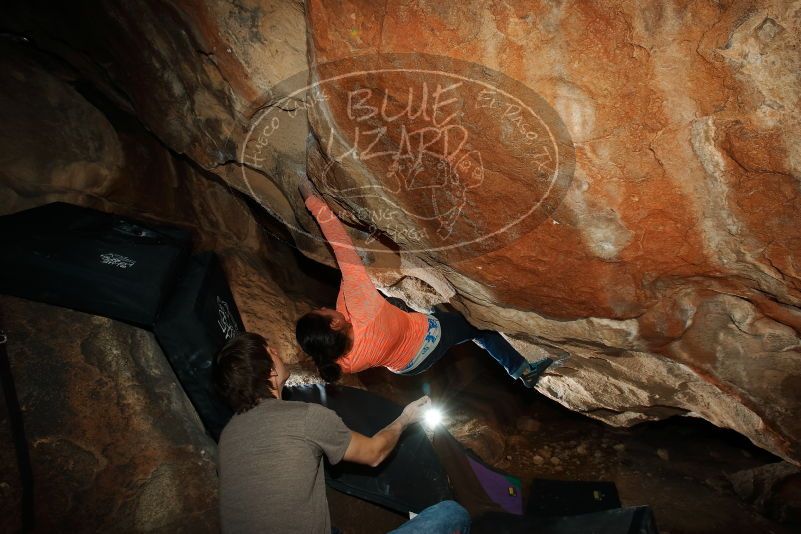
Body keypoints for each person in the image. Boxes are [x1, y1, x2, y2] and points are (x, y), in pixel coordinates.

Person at [295, 177, 554, 387]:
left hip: (404, 367)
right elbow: (342, 248)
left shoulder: (337, 361)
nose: (323, 306)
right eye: (320, 311)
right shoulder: (362, 306)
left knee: (398, 304)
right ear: (335, 322)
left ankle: (425, 315)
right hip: (427, 340)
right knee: (477, 326)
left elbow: (330, 362)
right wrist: (313, 202)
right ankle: (522, 370)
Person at [214, 332, 471, 534]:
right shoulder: (303, 416)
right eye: (273, 352)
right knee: (451, 514)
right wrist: (406, 418)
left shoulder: (227, 436)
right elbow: (374, 453)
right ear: (271, 371)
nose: (278, 354)